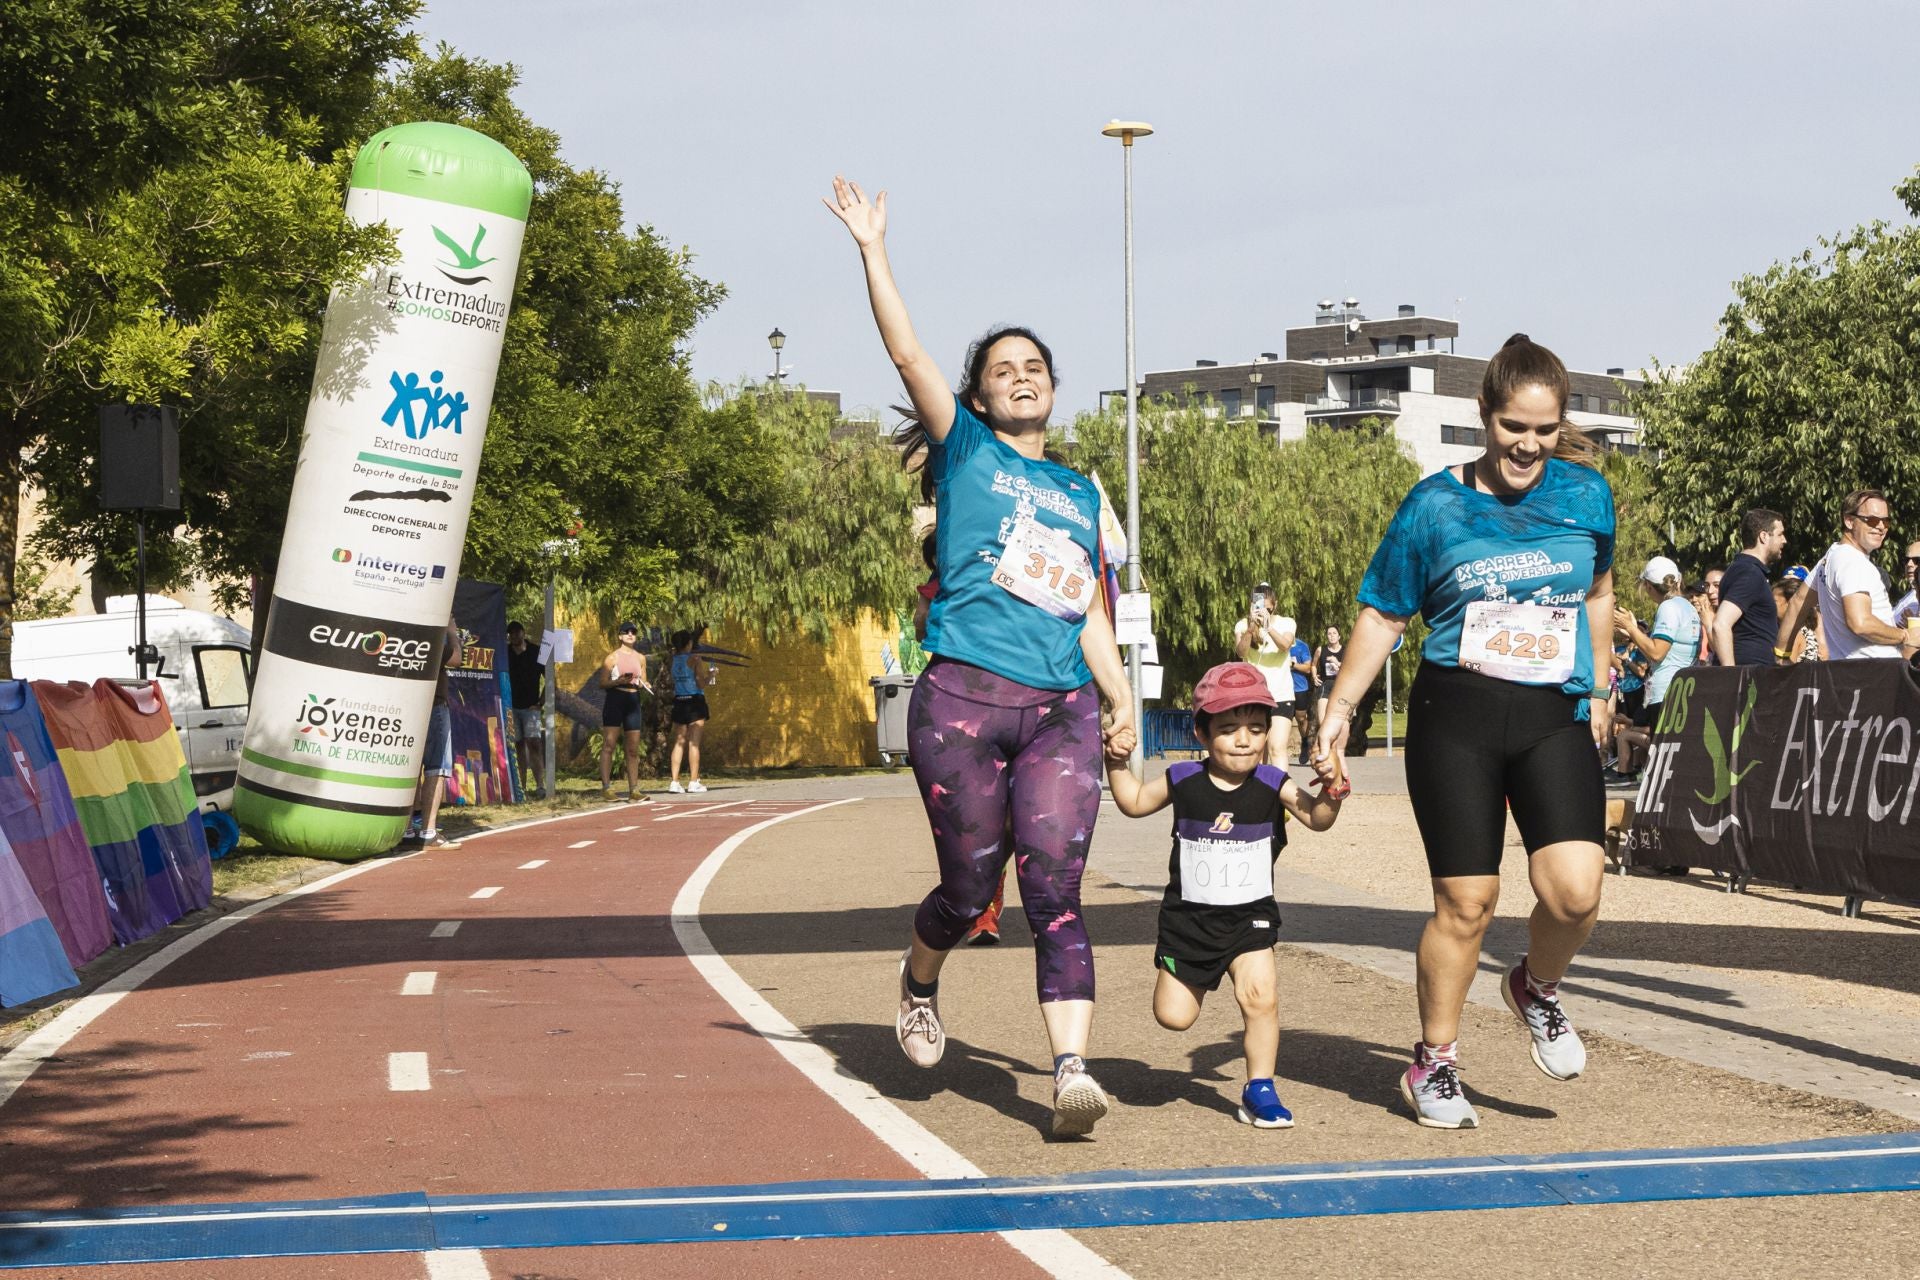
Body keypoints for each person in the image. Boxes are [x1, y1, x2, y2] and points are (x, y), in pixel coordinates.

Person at [827, 173, 1134, 1137]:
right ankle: (922, 979)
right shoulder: (966, 451)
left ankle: (1071, 1069)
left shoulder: (1079, 492)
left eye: (1035, 366)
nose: (1023, 375)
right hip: (961, 701)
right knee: (971, 890)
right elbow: (906, 349)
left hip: (1059, 710)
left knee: (1056, 889)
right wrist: (873, 249)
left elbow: (1084, 604)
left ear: (1054, 387)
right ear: (976, 395)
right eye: (1004, 368)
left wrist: (1119, 694)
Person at [1313, 333, 1615, 1130]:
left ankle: (1535, 988)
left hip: (1552, 712)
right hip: (1457, 716)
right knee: (1466, 902)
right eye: (1514, 426)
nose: (1528, 445)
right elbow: (1383, 614)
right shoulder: (1434, 506)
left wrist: (1603, 682)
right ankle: (1434, 1063)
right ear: (1484, 414)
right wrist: (1339, 711)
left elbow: (1598, 590)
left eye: (1545, 430)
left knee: (1576, 892)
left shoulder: (1587, 496)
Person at [1105, 662, 1345, 1129]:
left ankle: (1260, 1088)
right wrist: (1115, 762)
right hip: (1188, 923)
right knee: (1174, 1017)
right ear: (1202, 733)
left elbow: (1317, 818)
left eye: (1255, 729)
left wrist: (1333, 788)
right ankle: (1192, 983)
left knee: (1261, 997)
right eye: (1229, 729)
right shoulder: (1182, 778)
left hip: (1250, 918)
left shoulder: (1273, 783)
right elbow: (1132, 802)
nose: (1243, 740)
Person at [1610, 557, 1701, 809]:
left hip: (1666, 692)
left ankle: (1664, 814)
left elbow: (1657, 652)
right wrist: (1634, 634)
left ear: (1649, 586)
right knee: (1672, 756)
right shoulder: (1687, 607)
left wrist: (1631, 628)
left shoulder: (1668, 608)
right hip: (1683, 688)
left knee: (1663, 757)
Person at [1785, 490, 1918, 662]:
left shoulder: (1830, 557)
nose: (1881, 527)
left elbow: (1798, 602)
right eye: (1872, 520)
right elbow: (1860, 623)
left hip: (1850, 669)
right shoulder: (1853, 561)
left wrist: (1782, 654)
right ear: (1849, 520)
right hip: (1873, 670)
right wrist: (1905, 635)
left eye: (1886, 521)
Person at [401, 618, 465, 850]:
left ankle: (406, 830)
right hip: (434, 706)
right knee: (436, 769)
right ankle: (428, 831)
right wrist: (452, 632)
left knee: (410, 767)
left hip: (407, 706)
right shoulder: (432, 638)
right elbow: (456, 658)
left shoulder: (406, 635)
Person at [1711, 509, 1787, 667]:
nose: (1784, 540)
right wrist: (1731, 676)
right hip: (1747, 677)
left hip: (1754, 673)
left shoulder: (1742, 569)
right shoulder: (1749, 573)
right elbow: (1721, 624)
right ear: (1763, 536)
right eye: (1780, 534)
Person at [1232, 585, 1294, 766]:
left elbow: (1285, 646)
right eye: (1259, 608)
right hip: (1254, 695)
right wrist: (1251, 629)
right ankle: (1257, 783)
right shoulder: (1242, 625)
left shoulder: (1287, 622)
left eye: (1268, 609)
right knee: (1256, 752)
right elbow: (1241, 652)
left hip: (1281, 694)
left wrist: (1268, 628)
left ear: (1275, 605)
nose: (1264, 612)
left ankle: (1280, 784)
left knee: (1276, 748)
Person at [598, 622, 653, 802]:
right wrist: (618, 682)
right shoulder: (612, 658)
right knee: (609, 744)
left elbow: (643, 681)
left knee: (633, 748)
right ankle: (606, 788)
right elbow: (602, 683)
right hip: (615, 699)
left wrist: (646, 684)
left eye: (633, 632)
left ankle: (634, 790)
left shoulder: (641, 658)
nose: (630, 634)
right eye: (626, 632)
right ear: (620, 636)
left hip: (633, 700)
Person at [667, 627, 717, 794]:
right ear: (688, 643)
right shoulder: (695, 659)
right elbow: (701, 683)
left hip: (679, 701)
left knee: (679, 742)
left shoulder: (672, 660)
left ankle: (674, 782)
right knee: (694, 743)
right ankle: (693, 782)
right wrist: (711, 675)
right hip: (695, 701)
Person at [505, 621, 546, 797]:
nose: (514, 636)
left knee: (534, 744)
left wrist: (540, 703)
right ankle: (520, 787)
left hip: (531, 708)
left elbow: (551, 679)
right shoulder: (505, 653)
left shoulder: (536, 651)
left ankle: (540, 785)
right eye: (511, 633)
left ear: (523, 632)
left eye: (517, 632)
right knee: (517, 746)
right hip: (511, 707)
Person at [1312, 625, 1345, 729]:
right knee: (1322, 720)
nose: (1332, 636)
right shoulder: (1321, 650)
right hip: (1325, 685)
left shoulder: (1346, 651)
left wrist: (1337, 662)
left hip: (1341, 685)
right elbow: (1313, 665)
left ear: (1339, 636)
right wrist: (1314, 676)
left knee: (1342, 720)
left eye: (1334, 633)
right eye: (1329, 634)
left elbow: (1350, 668)